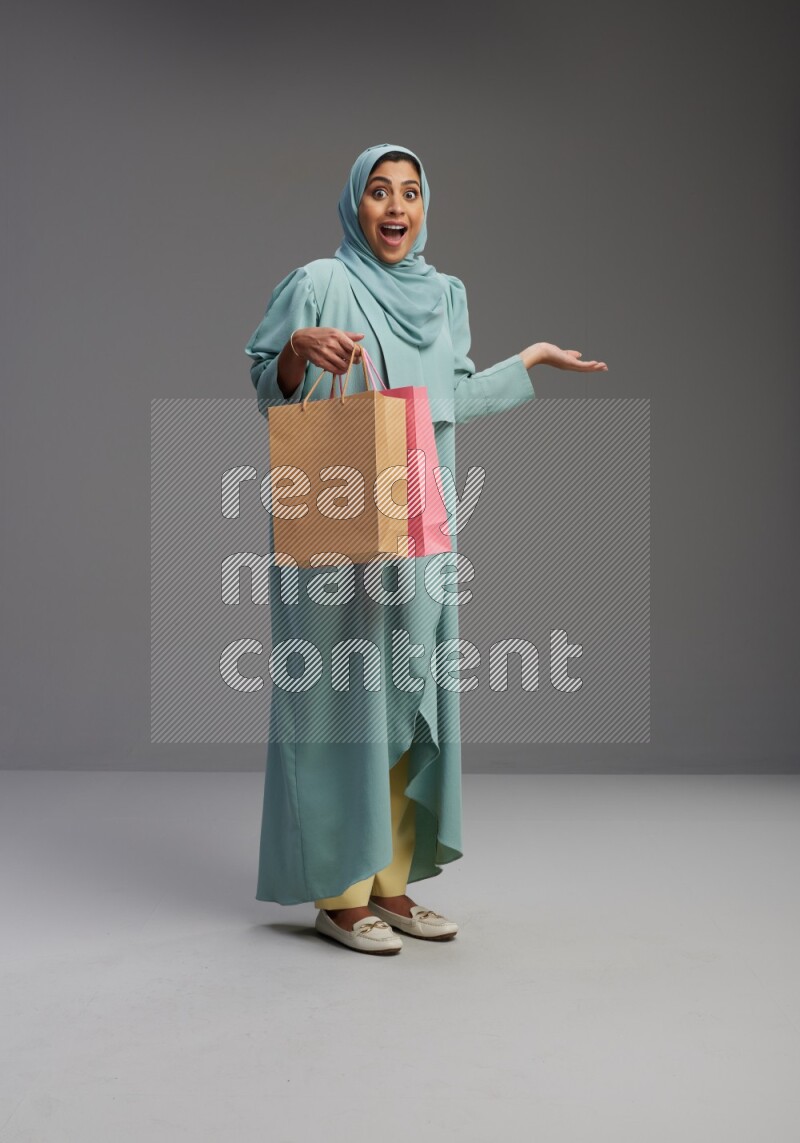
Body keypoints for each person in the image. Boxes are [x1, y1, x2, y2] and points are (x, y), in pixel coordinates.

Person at [245, 143, 607, 956]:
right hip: (339, 521)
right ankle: (338, 895)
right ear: (355, 203)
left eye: (410, 192)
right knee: (339, 700)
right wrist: (302, 351)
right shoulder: (319, 283)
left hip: (420, 520)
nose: (396, 206)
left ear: (426, 205)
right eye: (379, 191)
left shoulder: (443, 296)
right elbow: (268, 386)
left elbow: (456, 396)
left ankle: (392, 883)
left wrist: (528, 364)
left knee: (409, 691)